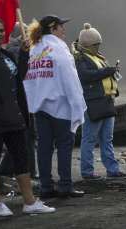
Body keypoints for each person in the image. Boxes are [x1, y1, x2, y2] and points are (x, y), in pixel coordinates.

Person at [0, 17, 55, 217]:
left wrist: (25, 54)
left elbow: (20, 76)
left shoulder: (7, 55)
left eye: (1, 30)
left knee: (21, 158)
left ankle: (29, 201)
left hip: (15, 117)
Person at [23, 15, 86, 199]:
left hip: (40, 107)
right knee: (64, 147)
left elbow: (30, 80)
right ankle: (65, 185)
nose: (63, 30)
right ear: (53, 29)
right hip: (60, 107)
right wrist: (77, 105)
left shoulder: (35, 49)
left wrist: (33, 103)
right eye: (61, 27)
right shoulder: (59, 49)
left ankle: (45, 187)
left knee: (44, 148)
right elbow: (70, 80)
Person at [74, 23, 126, 181]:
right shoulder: (80, 58)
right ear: (86, 45)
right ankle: (87, 172)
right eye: (95, 45)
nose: (97, 47)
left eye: (98, 44)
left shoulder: (96, 57)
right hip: (93, 103)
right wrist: (108, 70)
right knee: (89, 139)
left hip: (106, 101)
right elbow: (85, 76)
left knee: (107, 139)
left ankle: (113, 170)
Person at [0, 24, 37, 180]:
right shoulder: (15, 51)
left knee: (24, 136)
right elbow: (20, 74)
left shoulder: (12, 50)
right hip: (22, 99)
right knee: (27, 136)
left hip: (21, 98)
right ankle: (30, 172)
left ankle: (6, 169)